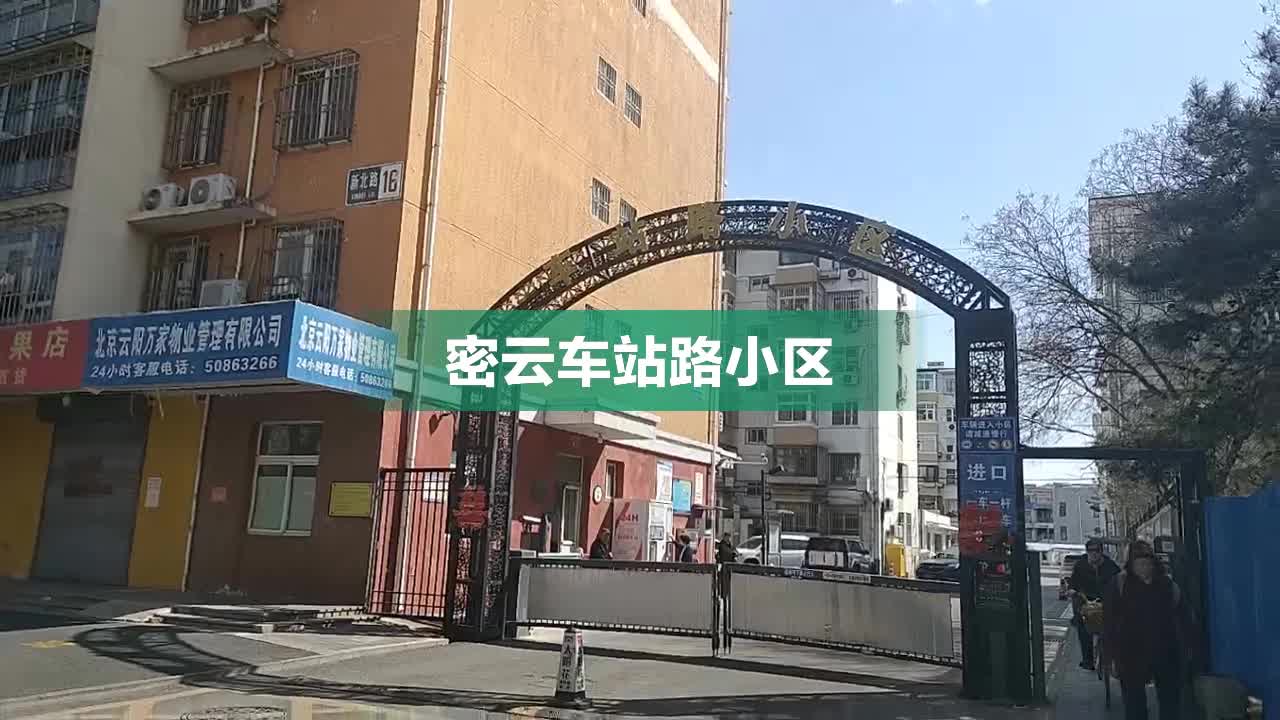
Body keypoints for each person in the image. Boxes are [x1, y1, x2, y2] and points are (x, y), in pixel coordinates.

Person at [1104, 539, 1193, 720]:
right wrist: (1110, 655)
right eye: (1139, 564)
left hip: (1165, 651)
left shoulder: (1167, 585)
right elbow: (1110, 621)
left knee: (1170, 701)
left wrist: (1187, 648)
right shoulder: (1120, 584)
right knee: (1134, 703)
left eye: (1147, 563)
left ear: (1154, 563)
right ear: (1132, 565)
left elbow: (1184, 616)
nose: (1144, 568)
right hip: (1130, 652)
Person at [1068, 537, 1121, 670]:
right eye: (1090, 551)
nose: (1093, 554)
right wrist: (1072, 590)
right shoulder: (1081, 565)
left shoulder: (1110, 566)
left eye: (1097, 550)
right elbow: (1073, 581)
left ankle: (1114, 657)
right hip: (1086, 599)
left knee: (1114, 624)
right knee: (1082, 624)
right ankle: (1088, 660)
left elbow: (1119, 581)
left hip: (1105, 600)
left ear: (1101, 552)